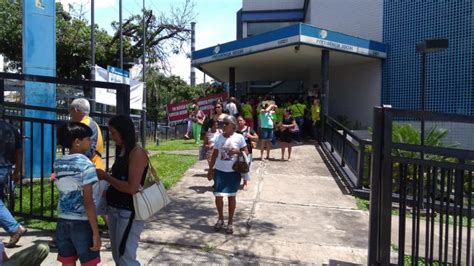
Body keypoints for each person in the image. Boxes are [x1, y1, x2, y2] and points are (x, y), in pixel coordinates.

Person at [96, 115, 148, 266]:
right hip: (115, 208)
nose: (111, 137)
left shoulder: (136, 152)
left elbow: (132, 187)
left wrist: (106, 177)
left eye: (113, 133)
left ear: (123, 131)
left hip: (128, 211)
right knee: (118, 255)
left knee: (126, 258)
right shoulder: (123, 150)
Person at [54, 122, 101, 265]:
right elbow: (88, 202)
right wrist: (96, 232)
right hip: (82, 223)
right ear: (77, 142)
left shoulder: (58, 163)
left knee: (67, 261)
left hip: (62, 221)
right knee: (89, 262)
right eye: (88, 138)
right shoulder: (86, 165)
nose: (91, 141)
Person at [207, 115, 248, 234]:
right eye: (222, 123)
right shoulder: (219, 137)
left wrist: (238, 152)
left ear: (233, 126)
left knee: (231, 197)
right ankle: (220, 219)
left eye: (225, 124)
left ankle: (230, 222)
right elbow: (215, 153)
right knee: (218, 196)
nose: (222, 126)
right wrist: (211, 169)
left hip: (233, 173)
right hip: (220, 171)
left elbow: (246, 152)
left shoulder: (239, 138)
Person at [0, 120, 27, 248]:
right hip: (5, 168)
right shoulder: (12, 129)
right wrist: (17, 170)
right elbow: (19, 152)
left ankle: (14, 228)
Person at [236, 115, 258, 190]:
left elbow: (257, 137)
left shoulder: (249, 129)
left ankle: (245, 183)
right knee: (237, 167)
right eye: (238, 120)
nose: (239, 122)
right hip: (238, 152)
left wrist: (250, 136)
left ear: (244, 121)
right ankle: (236, 181)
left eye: (241, 120)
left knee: (246, 167)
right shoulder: (236, 131)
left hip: (248, 152)